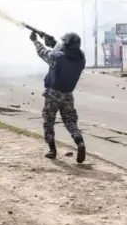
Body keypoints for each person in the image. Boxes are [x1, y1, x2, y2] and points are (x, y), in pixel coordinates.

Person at [31, 31, 86, 163]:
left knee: (48, 121)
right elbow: (65, 53)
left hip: (53, 94)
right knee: (70, 121)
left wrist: (35, 41)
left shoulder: (57, 57)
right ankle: (80, 143)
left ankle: (52, 150)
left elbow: (43, 53)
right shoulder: (81, 58)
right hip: (68, 95)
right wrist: (54, 43)